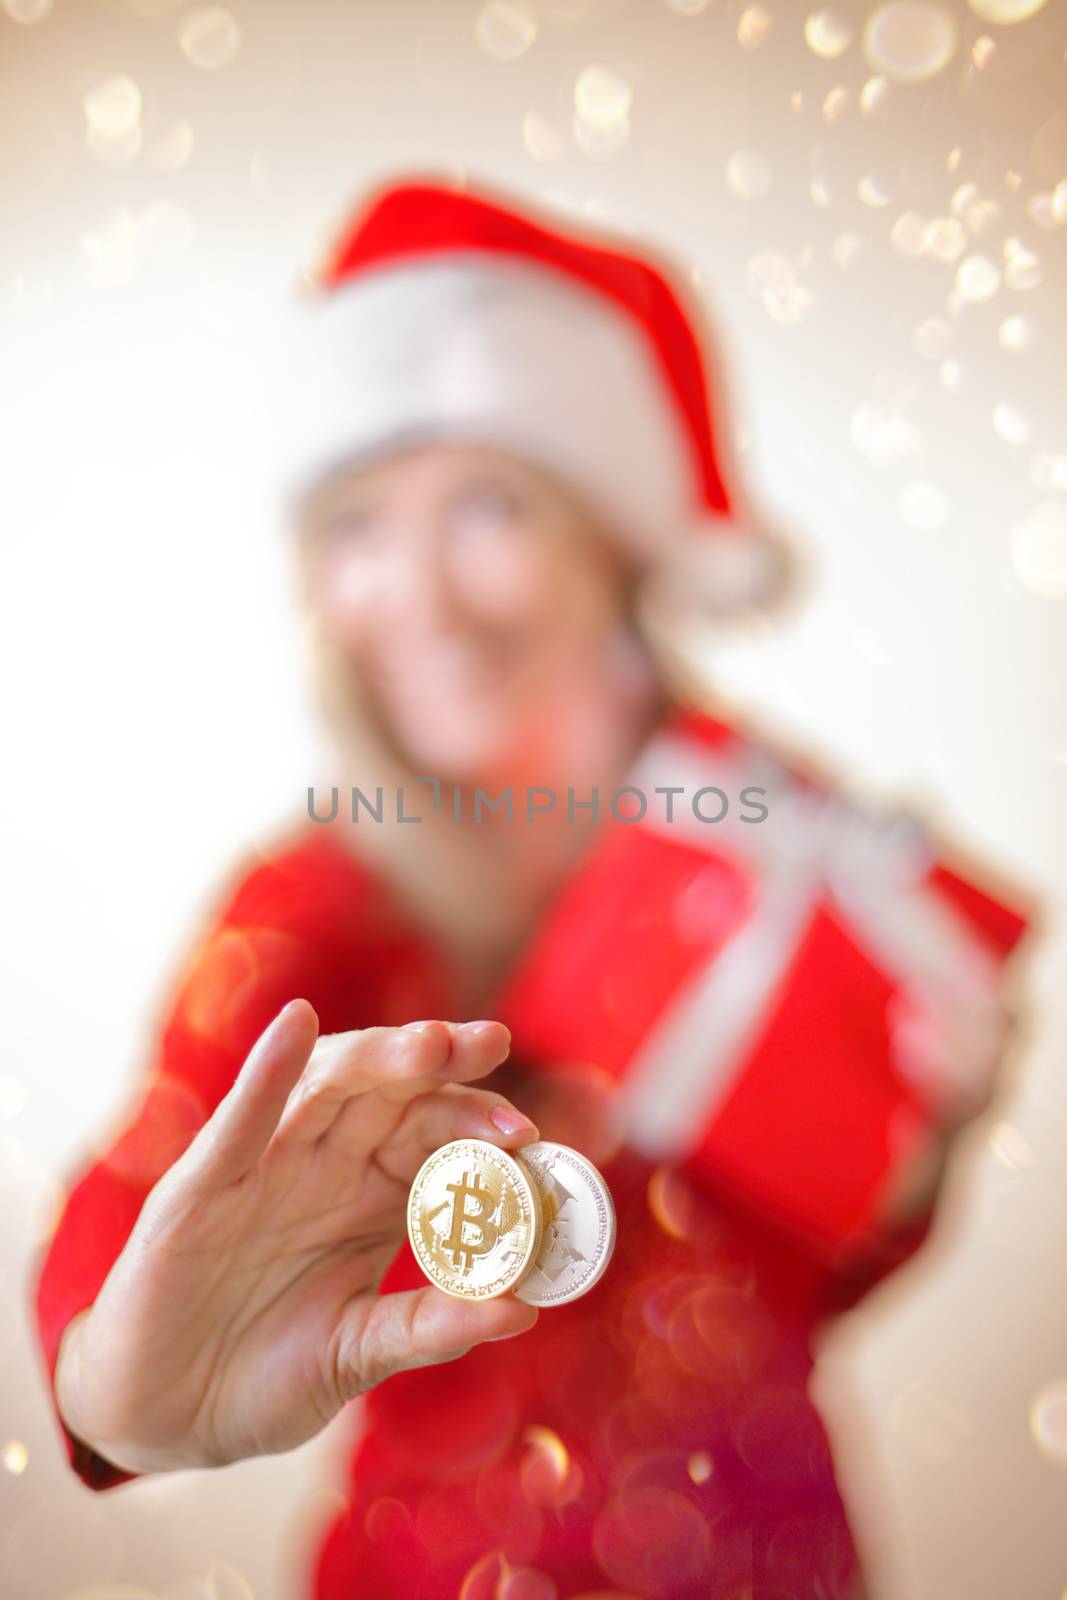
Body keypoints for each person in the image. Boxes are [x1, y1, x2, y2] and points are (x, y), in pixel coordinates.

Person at [31, 175, 1034, 1600]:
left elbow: (789, 1290)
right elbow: (140, 1208)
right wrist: (112, 1384)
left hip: (775, 1564)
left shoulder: (794, 862)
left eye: (488, 505)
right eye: (356, 525)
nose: (416, 593)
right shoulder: (315, 901)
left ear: (610, 539)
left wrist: (911, 1157)